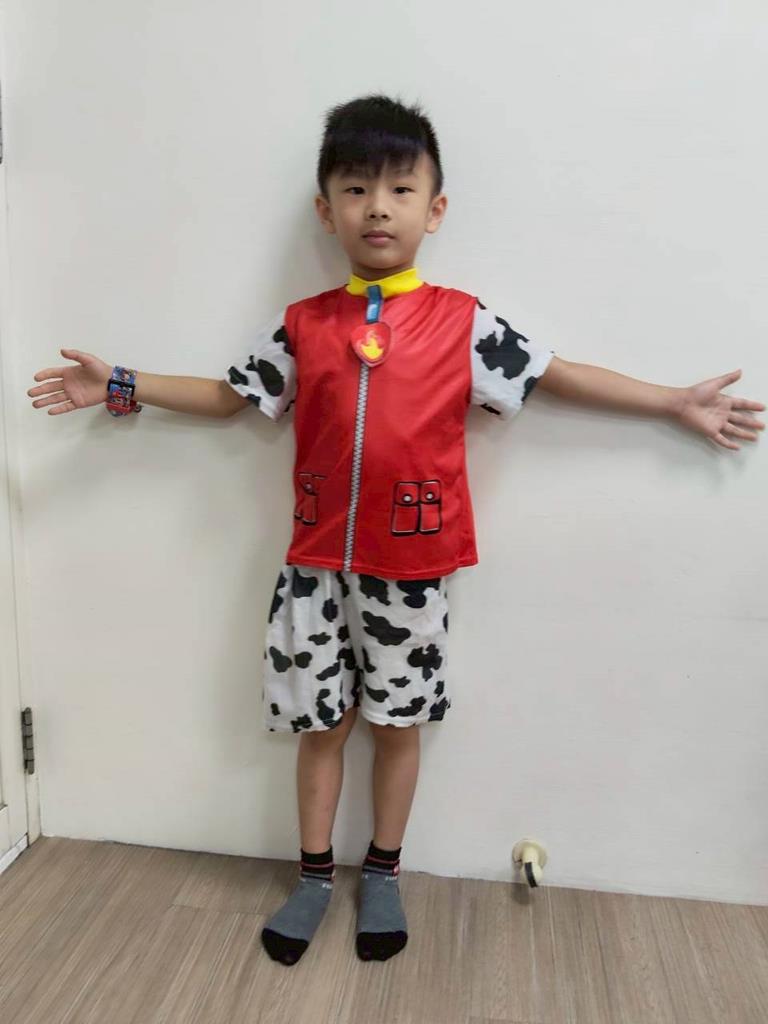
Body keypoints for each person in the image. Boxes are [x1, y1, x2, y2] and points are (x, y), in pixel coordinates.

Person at [28, 93, 764, 969]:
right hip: (314, 568)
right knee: (321, 727)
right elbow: (228, 398)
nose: (377, 207)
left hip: (410, 571)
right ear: (326, 209)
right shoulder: (305, 324)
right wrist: (121, 384)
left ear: (434, 208)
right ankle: (313, 879)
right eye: (356, 189)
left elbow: (555, 375)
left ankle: (382, 872)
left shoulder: (462, 321)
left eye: (400, 189)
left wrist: (672, 401)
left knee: (396, 724)